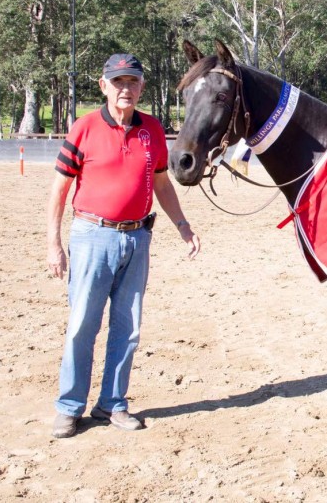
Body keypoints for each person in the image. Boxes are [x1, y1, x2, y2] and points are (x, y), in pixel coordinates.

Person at [46, 53, 201, 438]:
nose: (125, 89)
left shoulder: (151, 129)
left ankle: (112, 404)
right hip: (91, 236)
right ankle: (69, 406)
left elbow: (162, 183)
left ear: (142, 87)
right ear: (104, 86)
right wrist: (54, 243)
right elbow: (60, 190)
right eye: (118, 82)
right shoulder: (83, 129)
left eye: (132, 82)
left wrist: (182, 225)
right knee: (83, 323)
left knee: (128, 327)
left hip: (137, 237)